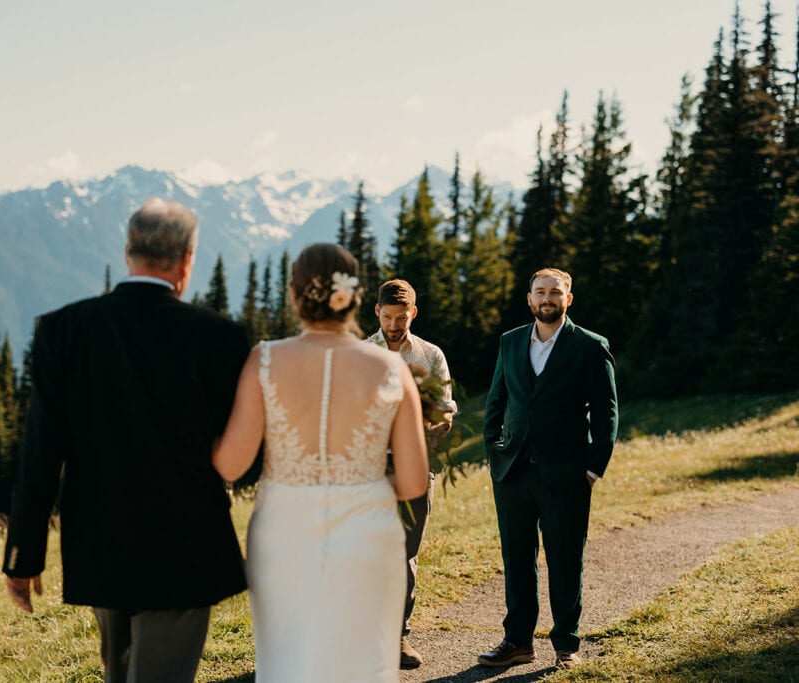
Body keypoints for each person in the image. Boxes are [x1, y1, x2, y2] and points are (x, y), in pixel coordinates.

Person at [2, 198, 250, 683]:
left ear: (127, 253)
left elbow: (41, 451)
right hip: (186, 544)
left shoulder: (63, 329)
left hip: (99, 542)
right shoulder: (219, 336)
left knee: (121, 672)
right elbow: (240, 453)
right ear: (187, 258)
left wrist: (23, 554)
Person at [214, 243, 430, 683]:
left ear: (295, 297)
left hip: (284, 531)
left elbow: (232, 465)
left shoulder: (266, 360)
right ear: (353, 299)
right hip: (367, 531)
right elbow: (411, 482)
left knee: (289, 658)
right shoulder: (391, 370)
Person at [478, 267, 618, 670]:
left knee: (564, 558)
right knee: (517, 559)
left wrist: (594, 468)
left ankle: (566, 644)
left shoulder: (590, 346)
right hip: (514, 472)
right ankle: (518, 641)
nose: (547, 299)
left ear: (568, 299)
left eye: (555, 292)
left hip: (567, 474)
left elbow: (607, 413)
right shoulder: (510, 342)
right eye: (540, 292)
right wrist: (493, 450)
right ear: (529, 298)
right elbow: (495, 401)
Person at [366, 278, 456, 669]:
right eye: (387, 317)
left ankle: (398, 637)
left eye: (401, 318)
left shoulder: (430, 355)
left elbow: (447, 408)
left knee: (404, 554)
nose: (393, 324)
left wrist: (438, 427)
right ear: (377, 312)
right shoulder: (359, 353)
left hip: (415, 467)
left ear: (413, 313)